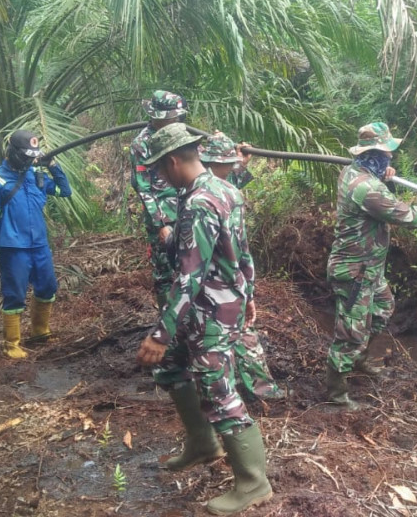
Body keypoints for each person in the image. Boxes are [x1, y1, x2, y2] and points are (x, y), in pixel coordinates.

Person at [135, 123, 273, 515]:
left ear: (174, 160)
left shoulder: (199, 203)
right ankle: (202, 443)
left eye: (160, 169)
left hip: (209, 311)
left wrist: (161, 334)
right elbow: (243, 251)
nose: (159, 177)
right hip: (216, 303)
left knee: (219, 391)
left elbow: (189, 277)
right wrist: (248, 292)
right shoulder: (223, 188)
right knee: (170, 368)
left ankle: (253, 483)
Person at [326, 122, 417, 408]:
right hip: (353, 273)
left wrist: (383, 177)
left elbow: (377, 194)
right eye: (387, 153)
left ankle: (359, 359)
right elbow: (404, 214)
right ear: (373, 153)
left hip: (369, 269)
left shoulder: (356, 172)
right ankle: (336, 395)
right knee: (350, 333)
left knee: (383, 308)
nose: (391, 157)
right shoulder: (365, 187)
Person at [199, 132, 284, 401]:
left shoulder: (221, 191)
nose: (234, 168)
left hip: (227, 281)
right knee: (225, 338)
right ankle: (230, 394)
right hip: (218, 281)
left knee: (235, 335)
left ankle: (252, 391)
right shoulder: (206, 194)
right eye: (231, 164)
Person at [0, 130, 72, 359]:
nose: (30, 159)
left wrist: (52, 164)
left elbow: (64, 191)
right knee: (15, 295)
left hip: (39, 245)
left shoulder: (35, 175)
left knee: (48, 288)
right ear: (12, 152)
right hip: (13, 248)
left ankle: (40, 332)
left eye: (33, 155)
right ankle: (11, 344)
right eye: (26, 155)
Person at [130, 90, 188, 311]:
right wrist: (161, 224)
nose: (174, 120)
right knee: (164, 272)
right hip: (162, 216)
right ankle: (168, 326)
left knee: (190, 267)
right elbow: (143, 186)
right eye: (170, 117)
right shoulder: (141, 144)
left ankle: (189, 323)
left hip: (187, 211)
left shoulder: (180, 135)